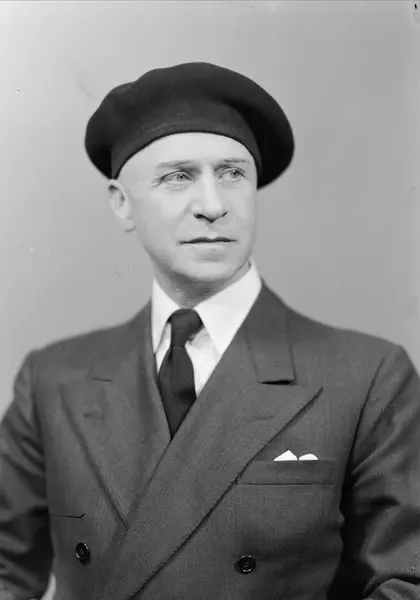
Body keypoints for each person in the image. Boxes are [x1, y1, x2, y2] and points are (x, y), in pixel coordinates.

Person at [0, 62, 419, 600]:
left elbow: (406, 581)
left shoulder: (368, 377)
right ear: (122, 203)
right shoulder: (53, 380)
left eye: (232, 174)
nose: (213, 206)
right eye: (178, 177)